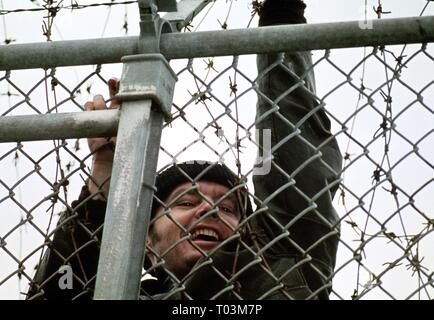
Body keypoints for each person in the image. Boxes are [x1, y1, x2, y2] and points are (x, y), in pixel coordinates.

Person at [27, 0, 342, 300]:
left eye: (229, 208)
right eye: (186, 201)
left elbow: (294, 158)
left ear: (249, 238)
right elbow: (61, 290)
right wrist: (107, 169)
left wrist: (281, 13)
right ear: (147, 244)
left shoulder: (281, 274)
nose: (209, 210)